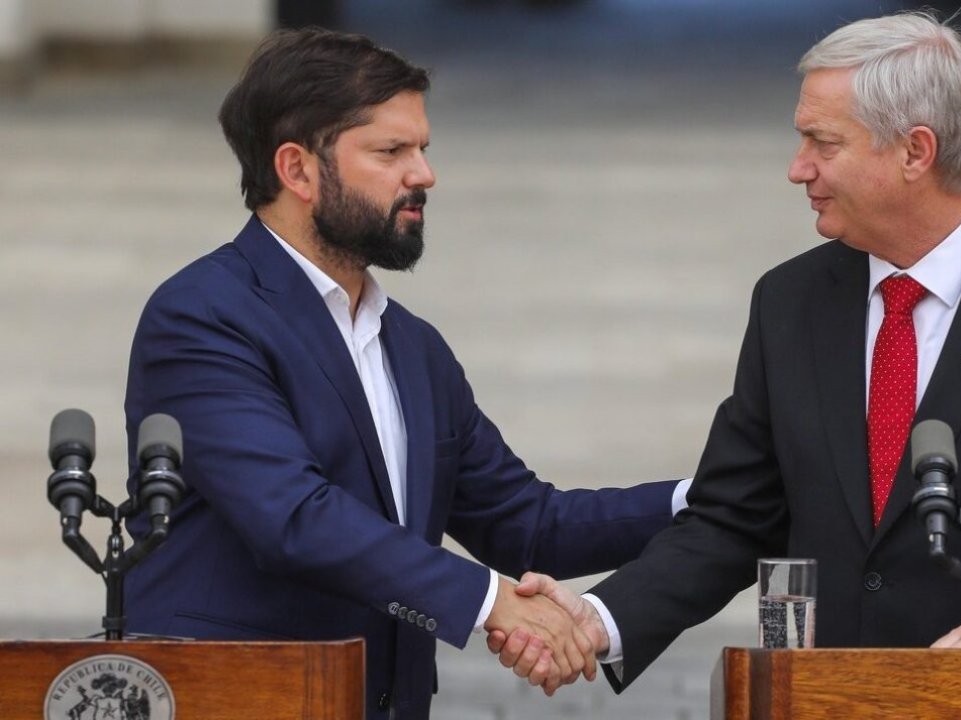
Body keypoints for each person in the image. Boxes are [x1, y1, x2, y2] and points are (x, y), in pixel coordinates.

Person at [493, 11, 961, 691]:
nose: (798, 168)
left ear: (915, 151)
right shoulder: (789, 303)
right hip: (821, 697)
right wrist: (599, 620)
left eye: (824, 143)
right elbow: (735, 515)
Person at [121, 28, 690, 719]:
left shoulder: (414, 347)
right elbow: (294, 518)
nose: (424, 174)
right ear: (297, 170)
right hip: (239, 698)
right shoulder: (203, 317)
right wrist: (492, 602)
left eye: (422, 149)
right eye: (391, 152)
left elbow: (529, 524)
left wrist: (710, 498)